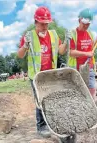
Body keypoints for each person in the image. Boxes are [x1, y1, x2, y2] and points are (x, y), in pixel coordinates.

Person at [18, 6, 68, 138]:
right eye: (42, 24)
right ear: (36, 22)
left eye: (47, 24)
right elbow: (20, 55)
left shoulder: (53, 35)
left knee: (52, 99)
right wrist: (25, 45)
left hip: (50, 74)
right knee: (40, 101)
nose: (45, 27)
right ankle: (41, 126)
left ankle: (53, 122)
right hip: (36, 75)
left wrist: (67, 42)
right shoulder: (29, 36)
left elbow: (61, 51)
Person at [68, 8, 97, 101]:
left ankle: (92, 111)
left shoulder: (90, 33)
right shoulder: (73, 34)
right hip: (77, 69)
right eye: (84, 23)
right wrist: (86, 54)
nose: (86, 25)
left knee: (92, 91)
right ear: (79, 20)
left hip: (89, 68)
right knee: (78, 94)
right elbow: (71, 52)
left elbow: (92, 47)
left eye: (88, 23)